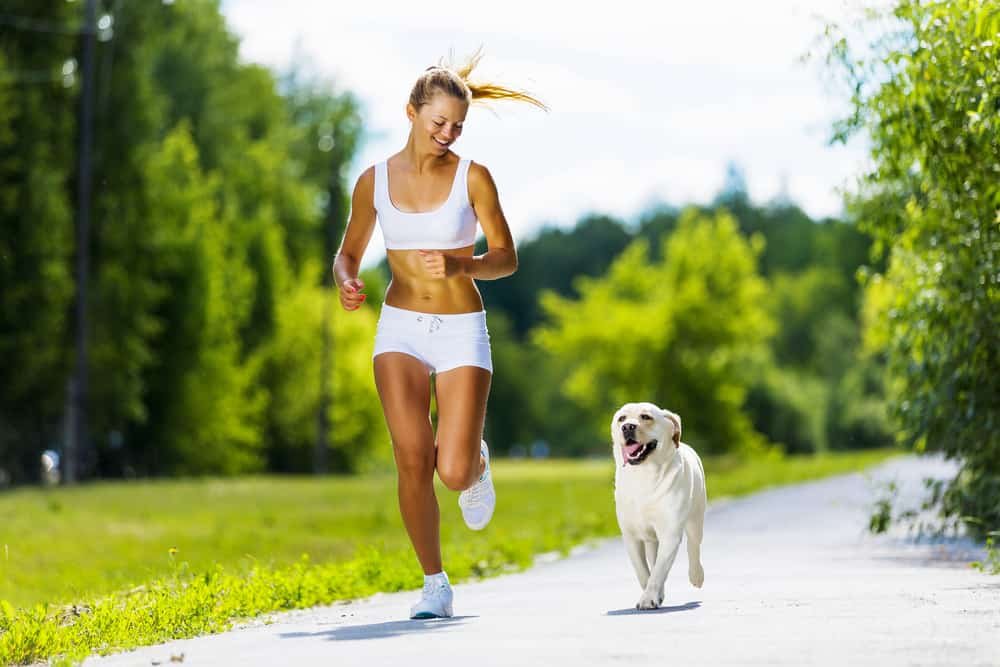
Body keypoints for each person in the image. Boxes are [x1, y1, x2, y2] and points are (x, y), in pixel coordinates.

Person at [331, 50, 547, 619]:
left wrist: (461, 266)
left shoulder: (474, 177)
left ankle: (474, 460)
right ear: (411, 112)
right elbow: (348, 254)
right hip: (399, 327)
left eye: (457, 125)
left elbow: (506, 257)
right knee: (410, 458)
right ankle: (434, 584)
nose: (447, 134)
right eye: (438, 123)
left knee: (450, 471)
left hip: (460, 330)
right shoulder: (373, 181)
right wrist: (347, 281)